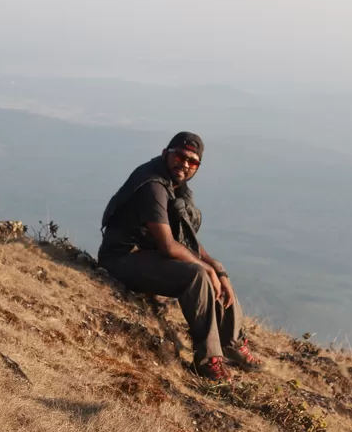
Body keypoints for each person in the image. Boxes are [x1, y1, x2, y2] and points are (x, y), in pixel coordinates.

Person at [98, 131, 264, 380]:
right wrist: (206, 269)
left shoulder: (177, 187)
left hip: (146, 255)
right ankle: (208, 360)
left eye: (192, 161)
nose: (184, 164)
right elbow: (167, 245)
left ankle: (232, 343)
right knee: (196, 274)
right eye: (180, 156)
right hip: (121, 258)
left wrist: (218, 269)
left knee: (211, 268)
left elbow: (187, 243)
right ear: (166, 154)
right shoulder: (153, 186)